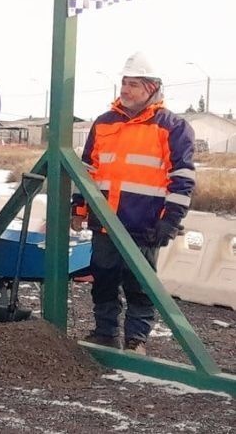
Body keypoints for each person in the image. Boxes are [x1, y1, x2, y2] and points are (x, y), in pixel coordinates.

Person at [71, 52, 195, 355]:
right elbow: (86, 171)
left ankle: (136, 340)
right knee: (103, 280)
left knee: (140, 285)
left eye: (134, 84)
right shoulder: (103, 124)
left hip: (145, 224)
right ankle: (105, 333)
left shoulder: (172, 127)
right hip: (105, 222)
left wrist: (171, 220)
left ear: (152, 88)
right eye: (124, 83)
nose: (125, 90)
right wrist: (79, 209)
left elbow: (182, 179)